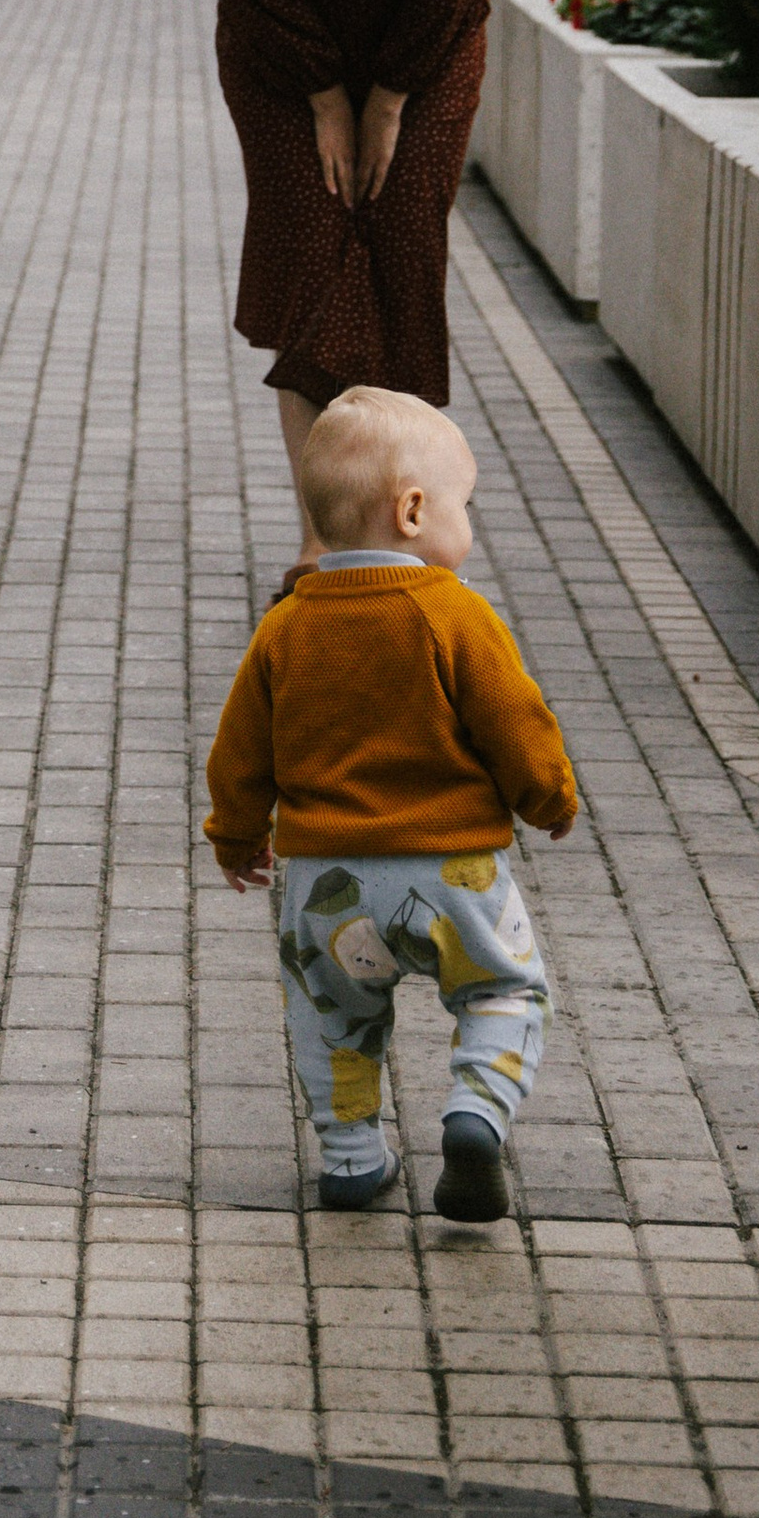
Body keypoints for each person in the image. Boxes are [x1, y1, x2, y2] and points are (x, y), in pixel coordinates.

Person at [204, 384, 577, 1220]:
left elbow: (239, 752)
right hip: (454, 874)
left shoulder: (285, 628)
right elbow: (517, 722)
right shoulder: (457, 613)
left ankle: (351, 1157)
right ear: (413, 510)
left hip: (325, 886)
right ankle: (476, 1114)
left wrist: (235, 837)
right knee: (503, 992)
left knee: (330, 1017)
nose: (467, 524)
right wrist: (548, 795)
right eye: (463, 504)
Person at [203, 0, 497, 563]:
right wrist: (326, 90)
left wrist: (392, 96)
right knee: (315, 256)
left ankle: (397, 534)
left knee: (401, 239)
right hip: (281, 50)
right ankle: (322, 545)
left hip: (426, 44)